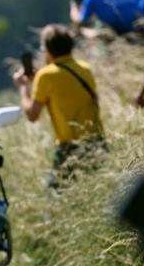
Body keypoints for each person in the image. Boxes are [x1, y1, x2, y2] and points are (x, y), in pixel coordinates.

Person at [12, 24, 104, 187]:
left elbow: (32, 115)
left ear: (47, 50)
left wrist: (22, 87)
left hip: (70, 148)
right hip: (97, 143)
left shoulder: (45, 76)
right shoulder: (85, 68)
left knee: (56, 200)